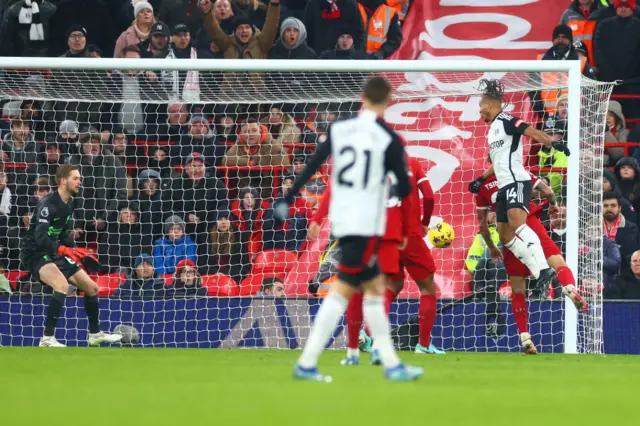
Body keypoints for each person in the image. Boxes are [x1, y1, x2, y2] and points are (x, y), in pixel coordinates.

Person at [276, 76, 422, 381]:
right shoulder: (389, 139)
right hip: (367, 222)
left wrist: (288, 198)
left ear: (362, 97)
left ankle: (392, 365)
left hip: (343, 220)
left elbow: (315, 164)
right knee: (344, 289)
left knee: (372, 289)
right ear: (388, 101)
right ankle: (307, 362)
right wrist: (408, 228)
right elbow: (406, 187)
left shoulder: (339, 129)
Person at [19, 164, 122, 347]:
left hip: (54, 251)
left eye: (79, 178)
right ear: (62, 180)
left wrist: (77, 249)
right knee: (61, 285)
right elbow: (40, 237)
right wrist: (64, 250)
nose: (79, 182)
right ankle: (47, 339)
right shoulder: (47, 204)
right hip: (35, 253)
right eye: (75, 178)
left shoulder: (71, 203)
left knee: (92, 288)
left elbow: (63, 233)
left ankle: (95, 334)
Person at [470, 79, 558, 283]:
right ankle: (540, 273)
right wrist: (480, 179)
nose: (480, 112)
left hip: (516, 181)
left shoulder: (508, 120)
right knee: (505, 236)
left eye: (482, 107)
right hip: (503, 184)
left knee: (518, 225)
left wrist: (552, 143)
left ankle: (544, 268)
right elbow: (498, 161)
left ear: (490, 104)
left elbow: (531, 131)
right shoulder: (492, 130)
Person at [475, 172, 588, 308]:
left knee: (518, 288)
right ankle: (567, 285)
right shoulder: (518, 170)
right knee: (559, 263)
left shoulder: (483, 187)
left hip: (506, 229)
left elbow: (482, 225)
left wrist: (492, 248)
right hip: (528, 218)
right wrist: (553, 204)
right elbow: (549, 192)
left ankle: (523, 329)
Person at [530, 24, 595, 120]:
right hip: (547, 117)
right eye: (557, 37)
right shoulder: (541, 60)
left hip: (575, 117)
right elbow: (532, 87)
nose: (560, 40)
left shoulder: (581, 62)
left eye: (564, 37)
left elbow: (590, 90)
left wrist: (583, 113)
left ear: (570, 40)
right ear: (552, 40)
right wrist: (540, 110)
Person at [560, 0, 608, 66]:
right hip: (575, 69)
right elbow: (561, 46)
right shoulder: (567, 16)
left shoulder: (605, 13)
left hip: (601, 70)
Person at [603, 191, 640, 271]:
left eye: (613, 205)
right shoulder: (591, 225)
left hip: (621, 274)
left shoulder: (630, 228)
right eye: (605, 206)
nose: (609, 209)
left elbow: (629, 256)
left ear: (619, 208)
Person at [605, 101, 630, 166]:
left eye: (611, 115)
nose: (607, 118)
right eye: (605, 115)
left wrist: (606, 132)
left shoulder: (624, 132)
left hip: (613, 165)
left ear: (617, 117)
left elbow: (618, 155)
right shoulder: (594, 132)